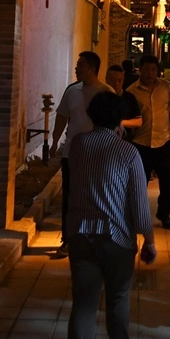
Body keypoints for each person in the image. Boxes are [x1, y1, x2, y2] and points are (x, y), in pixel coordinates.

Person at [64, 91, 158, 339]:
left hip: (81, 234)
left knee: (84, 304)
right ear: (121, 119)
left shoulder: (78, 144)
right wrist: (149, 240)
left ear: (92, 115)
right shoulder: (128, 153)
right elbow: (139, 206)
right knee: (117, 301)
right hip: (117, 238)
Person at [50, 51, 113, 255]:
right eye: (77, 65)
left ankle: (95, 237)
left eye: (81, 65)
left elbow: (114, 123)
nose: (76, 68)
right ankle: (68, 239)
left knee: (97, 197)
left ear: (92, 68)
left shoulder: (106, 93)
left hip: (98, 154)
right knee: (70, 196)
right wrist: (54, 141)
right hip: (72, 153)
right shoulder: (72, 91)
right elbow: (61, 116)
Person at [127, 54, 170, 229]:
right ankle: (137, 217)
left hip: (163, 141)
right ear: (139, 69)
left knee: (169, 182)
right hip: (140, 143)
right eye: (146, 69)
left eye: (153, 69)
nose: (150, 73)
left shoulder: (166, 87)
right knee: (138, 183)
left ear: (157, 70)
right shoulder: (131, 91)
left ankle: (163, 214)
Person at [105, 63, 142, 141]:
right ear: (106, 79)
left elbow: (138, 121)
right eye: (113, 80)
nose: (116, 84)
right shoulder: (100, 96)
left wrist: (120, 123)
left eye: (120, 80)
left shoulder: (129, 97)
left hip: (124, 141)